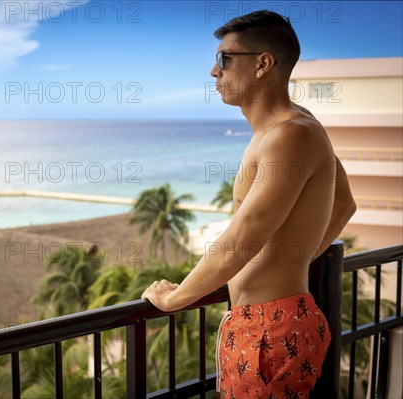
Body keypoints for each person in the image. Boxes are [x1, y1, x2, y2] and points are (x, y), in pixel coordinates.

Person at [141, 10, 356, 398]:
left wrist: (175, 298)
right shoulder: (295, 126)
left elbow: (243, 235)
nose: (213, 71)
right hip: (268, 323)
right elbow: (343, 205)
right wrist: (294, 258)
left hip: (269, 332)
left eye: (224, 59)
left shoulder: (290, 134)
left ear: (262, 64)